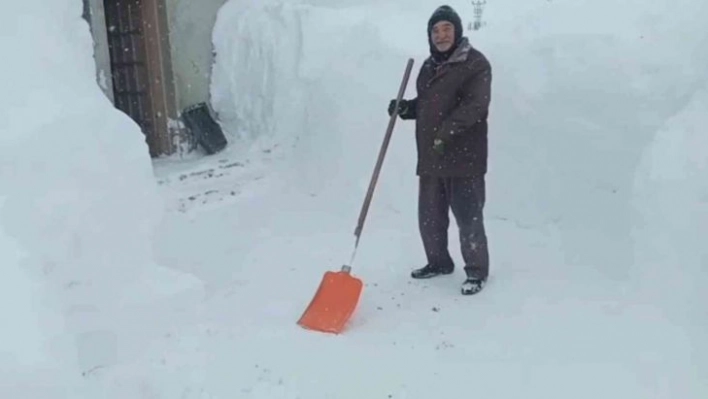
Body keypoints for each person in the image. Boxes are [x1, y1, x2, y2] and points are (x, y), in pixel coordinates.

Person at [388, 5, 492, 295]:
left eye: (446, 28)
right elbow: (428, 104)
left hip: (464, 156)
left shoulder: (475, 64)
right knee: (430, 216)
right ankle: (438, 262)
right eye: (435, 30)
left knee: (468, 216)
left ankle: (476, 271)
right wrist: (407, 108)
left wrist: (444, 134)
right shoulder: (429, 66)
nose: (441, 35)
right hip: (432, 155)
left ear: (457, 31)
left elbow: (475, 106)